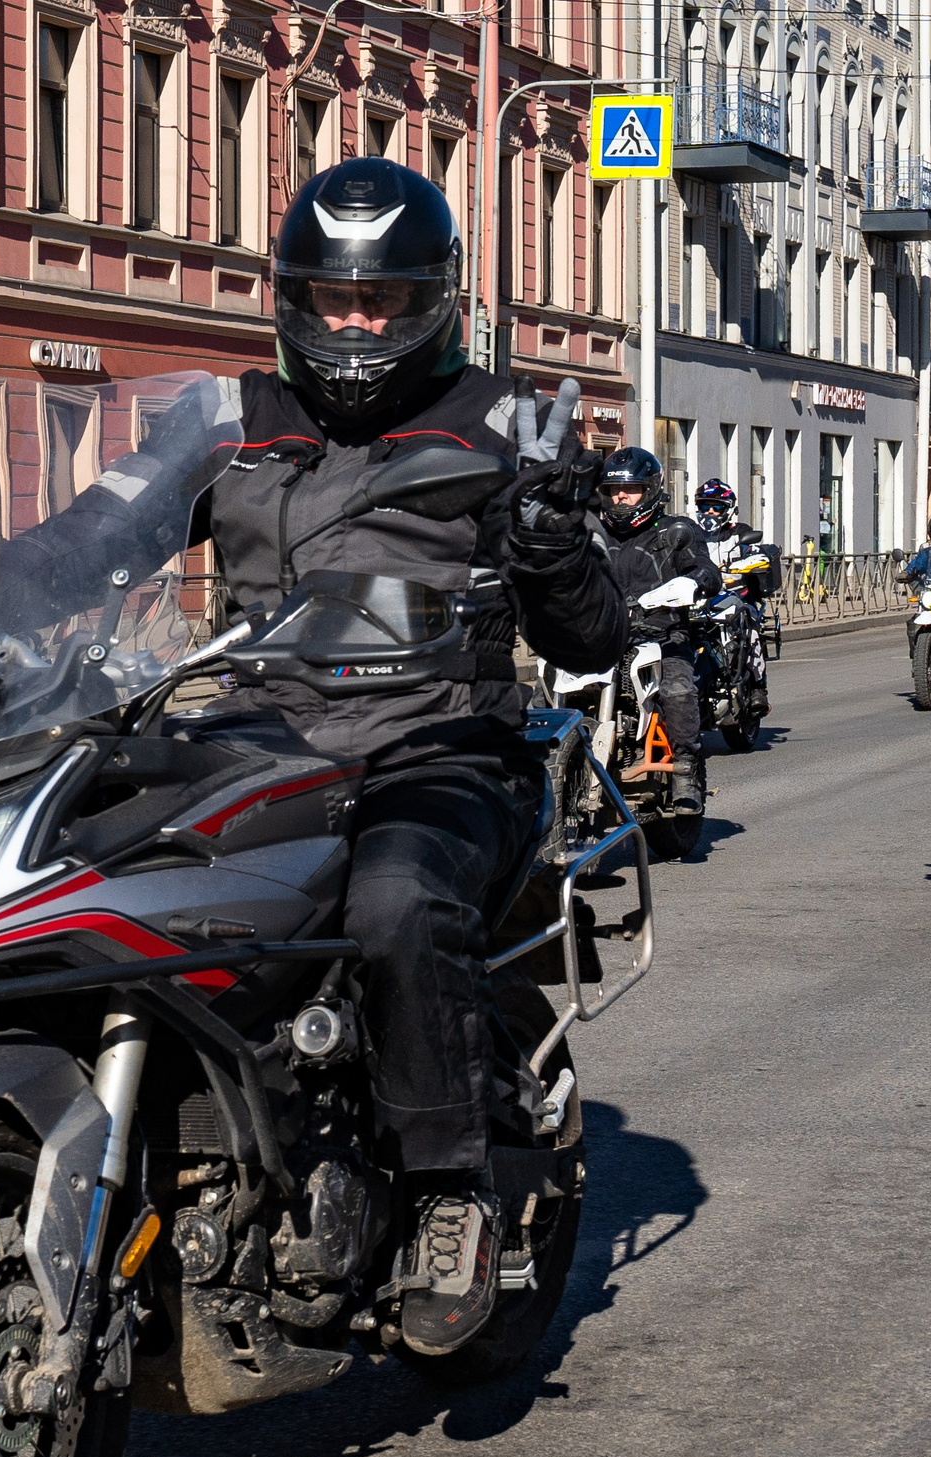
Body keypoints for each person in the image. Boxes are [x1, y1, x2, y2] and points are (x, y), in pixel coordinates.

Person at [187, 158, 621, 1356]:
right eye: (334, 299)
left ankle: (448, 1192)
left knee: (393, 895)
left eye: (381, 302)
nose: (356, 323)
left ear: (430, 300)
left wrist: (547, 546)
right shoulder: (234, 420)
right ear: (295, 299)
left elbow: (587, 636)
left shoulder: (504, 421)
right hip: (257, 740)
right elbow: (87, 537)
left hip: (440, 747)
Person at [598, 445, 718, 812]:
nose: (620, 495)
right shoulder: (595, 532)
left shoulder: (673, 531)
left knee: (678, 689)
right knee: (544, 691)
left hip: (662, 636)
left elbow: (707, 572)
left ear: (650, 490)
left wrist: (692, 582)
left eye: (630, 488)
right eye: (613, 489)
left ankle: (685, 770)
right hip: (601, 637)